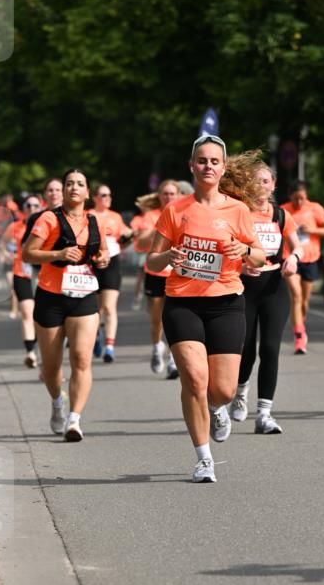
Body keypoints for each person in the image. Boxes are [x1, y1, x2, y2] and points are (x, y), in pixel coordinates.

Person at [146, 135, 265, 482]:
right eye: (202, 161)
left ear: (223, 167)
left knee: (223, 390)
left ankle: (217, 409)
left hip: (226, 302)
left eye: (214, 161)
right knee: (195, 379)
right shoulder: (175, 210)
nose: (208, 166)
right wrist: (168, 256)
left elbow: (260, 255)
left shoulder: (237, 210)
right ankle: (203, 458)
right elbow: (152, 261)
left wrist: (241, 252)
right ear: (191, 166)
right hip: (183, 303)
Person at [22, 169, 109, 441]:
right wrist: (58, 253)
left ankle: (74, 420)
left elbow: (102, 251)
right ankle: (57, 403)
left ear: (86, 193)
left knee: (82, 358)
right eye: (69, 183)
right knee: (51, 366)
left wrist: (103, 258)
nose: (74, 187)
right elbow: (28, 253)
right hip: (51, 296)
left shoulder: (95, 221)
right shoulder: (48, 218)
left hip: (83, 295)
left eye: (79, 184)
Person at [230, 163, 302, 434]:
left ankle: (264, 414)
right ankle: (240, 392)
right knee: (245, 348)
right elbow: (226, 247)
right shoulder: (239, 213)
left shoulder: (282, 215)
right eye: (255, 181)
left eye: (265, 181)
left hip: (274, 285)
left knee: (270, 348)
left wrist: (294, 258)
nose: (261, 186)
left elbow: (297, 245)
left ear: (273, 185)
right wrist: (240, 264)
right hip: (245, 285)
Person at [135, 180, 182, 379]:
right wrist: (162, 225)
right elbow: (142, 242)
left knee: (174, 319)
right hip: (155, 273)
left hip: (177, 273)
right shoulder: (151, 216)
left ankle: (173, 360)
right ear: (159, 196)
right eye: (165, 194)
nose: (169, 197)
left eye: (172, 194)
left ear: (178, 195)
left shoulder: (185, 214)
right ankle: (157, 347)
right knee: (157, 320)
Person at [281, 180, 324, 353]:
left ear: (306, 196)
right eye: (296, 199)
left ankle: (300, 326)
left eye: (302, 198)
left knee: (304, 302)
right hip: (290, 258)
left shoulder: (315, 208)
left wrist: (312, 230)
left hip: (310, 258)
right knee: (296, 296)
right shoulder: (284, 210)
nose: (299, 202)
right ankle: (299, 337)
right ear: (290, 197)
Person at [89, 184, 134, 362]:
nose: (107, 198)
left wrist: (127, 239)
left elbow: (127, 236)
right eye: (103, 195)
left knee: (109, 306)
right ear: (95, 198)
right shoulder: (89, 215)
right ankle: (97, 335)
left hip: (112, 262)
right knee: (95, 309)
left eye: (109, 195)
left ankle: (109, 347)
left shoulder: (115, 216)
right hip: (92, 263)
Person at [4, 196, 42, 367]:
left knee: (41, 317)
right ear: (23, 208)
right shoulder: (16, 226)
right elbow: (3, 242)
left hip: (42, 275)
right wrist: (5, 254)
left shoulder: (46, 225)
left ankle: (45, 351)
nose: (32, 208)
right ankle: (30, 353)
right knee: (27, 312)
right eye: (29, 205)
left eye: (36, 205)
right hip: (21, 273)